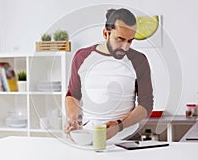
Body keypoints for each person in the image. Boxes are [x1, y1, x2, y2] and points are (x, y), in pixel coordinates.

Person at [65, 8, 154, 140]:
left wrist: (119, 126)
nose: (125, 47)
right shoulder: (82, 57)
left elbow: (146, 105)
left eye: (130, 41)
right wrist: (72, 119)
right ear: (106, 34)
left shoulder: (139, 60)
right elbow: (73, 95)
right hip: (89, 137)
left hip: (126, 138)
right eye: (120, 39)